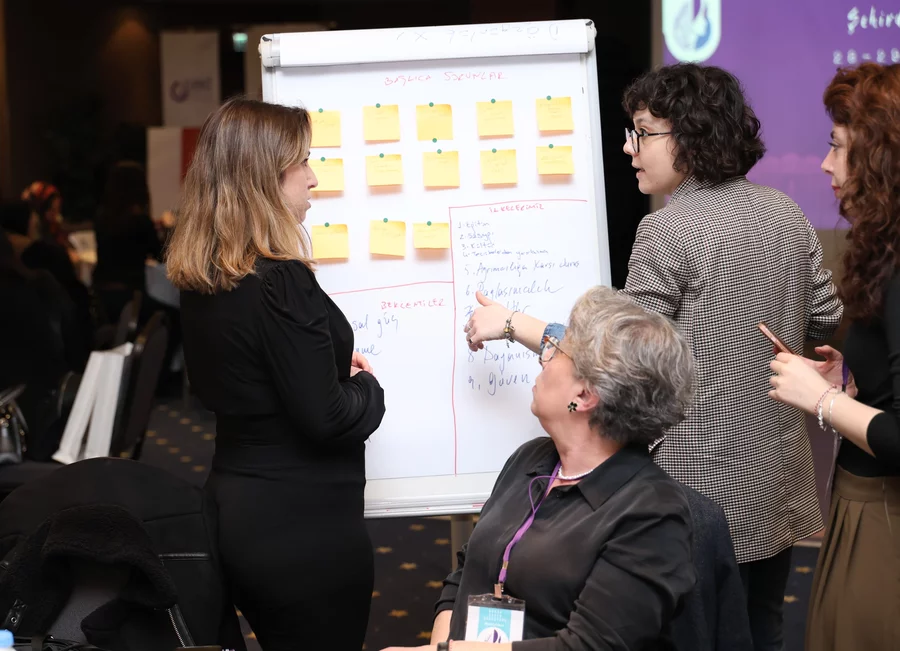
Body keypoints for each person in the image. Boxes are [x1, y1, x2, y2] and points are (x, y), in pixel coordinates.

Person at [463, 63, 843, 651]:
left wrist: (512, 324)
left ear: (689, 135)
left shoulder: (666, 230)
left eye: (642, 132)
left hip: (696, 487)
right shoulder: (784, 211)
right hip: (776, 478)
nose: (629, 147)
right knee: (759, 631)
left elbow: (616, 360)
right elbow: (825, 316)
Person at [166, 97, 386, 650]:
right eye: (302, 162)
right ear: (264, 176)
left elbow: (248, 380)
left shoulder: (206, 276)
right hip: (303, 529)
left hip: (234, 510)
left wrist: (323, 374)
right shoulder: (280, 280)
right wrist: (368, 389)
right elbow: (327, 418)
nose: (313, 178)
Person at [385, 287, 695, 651]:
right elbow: (467, 573)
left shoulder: (651, 514)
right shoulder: (531, 460)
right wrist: (441, 646)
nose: (543, 359)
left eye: (556, 350)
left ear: (584, 396)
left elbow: (588, 646)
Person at [768, 62, 900, 651]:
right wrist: (849, 380)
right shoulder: (884, 251)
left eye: (838, 147)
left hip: (885, 519)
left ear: (880, 158)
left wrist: (820, 400)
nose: (825, 164)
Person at [92, 160, 165, 324]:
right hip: (132, 298)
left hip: (102, 294)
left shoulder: (101, 218)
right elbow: (161, 255)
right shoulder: (140, 222)